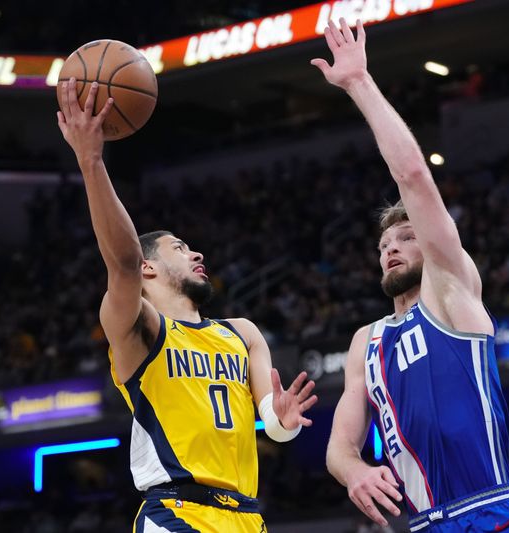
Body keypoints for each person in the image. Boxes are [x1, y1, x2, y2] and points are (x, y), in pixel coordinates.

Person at [315, 19, 509, 533]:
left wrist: (359, 83)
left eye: (405, 239)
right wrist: (353, 470)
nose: (391, 250)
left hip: (489, 512)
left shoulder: (450, 289)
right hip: (423, 525)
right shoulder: (365, 341)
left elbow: (414, 177)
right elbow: (339, 446)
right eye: (383, 245)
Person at [57, 78, 317, 533]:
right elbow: (121, 264)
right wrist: (91, 160)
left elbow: (273, 423)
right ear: (149, 269)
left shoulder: (243, 333)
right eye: (179, 248)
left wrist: (285, 420)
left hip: (246, 518)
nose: (196, 254)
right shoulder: (141, 329)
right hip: (176, 512)